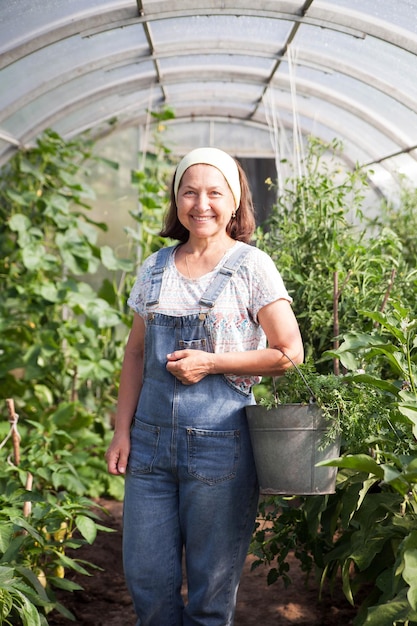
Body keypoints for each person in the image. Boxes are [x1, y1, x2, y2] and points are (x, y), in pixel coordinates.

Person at [105, 147, 304, 626]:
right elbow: (135, 353)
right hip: (149, 447)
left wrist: (212, 363)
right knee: (148, 583)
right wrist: (122, 430)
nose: (201, 204)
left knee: (211, 597)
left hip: (222, 446)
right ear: (176, 202)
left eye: (215, 192)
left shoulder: (252, 266)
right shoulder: (155, 267)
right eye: (189, 192)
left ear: (234, 202)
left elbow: (290, 352)